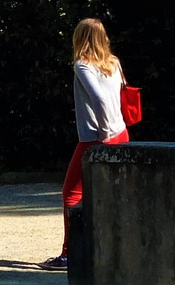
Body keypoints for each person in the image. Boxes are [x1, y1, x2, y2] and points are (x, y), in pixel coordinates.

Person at [40, 18, 130, 273]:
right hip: (122, 133)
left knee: (72, 194)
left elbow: (99, 99)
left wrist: (102, 132)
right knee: (113, 193)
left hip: (96, 138)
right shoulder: (114, 63)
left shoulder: (82, 65)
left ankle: (71, 253)